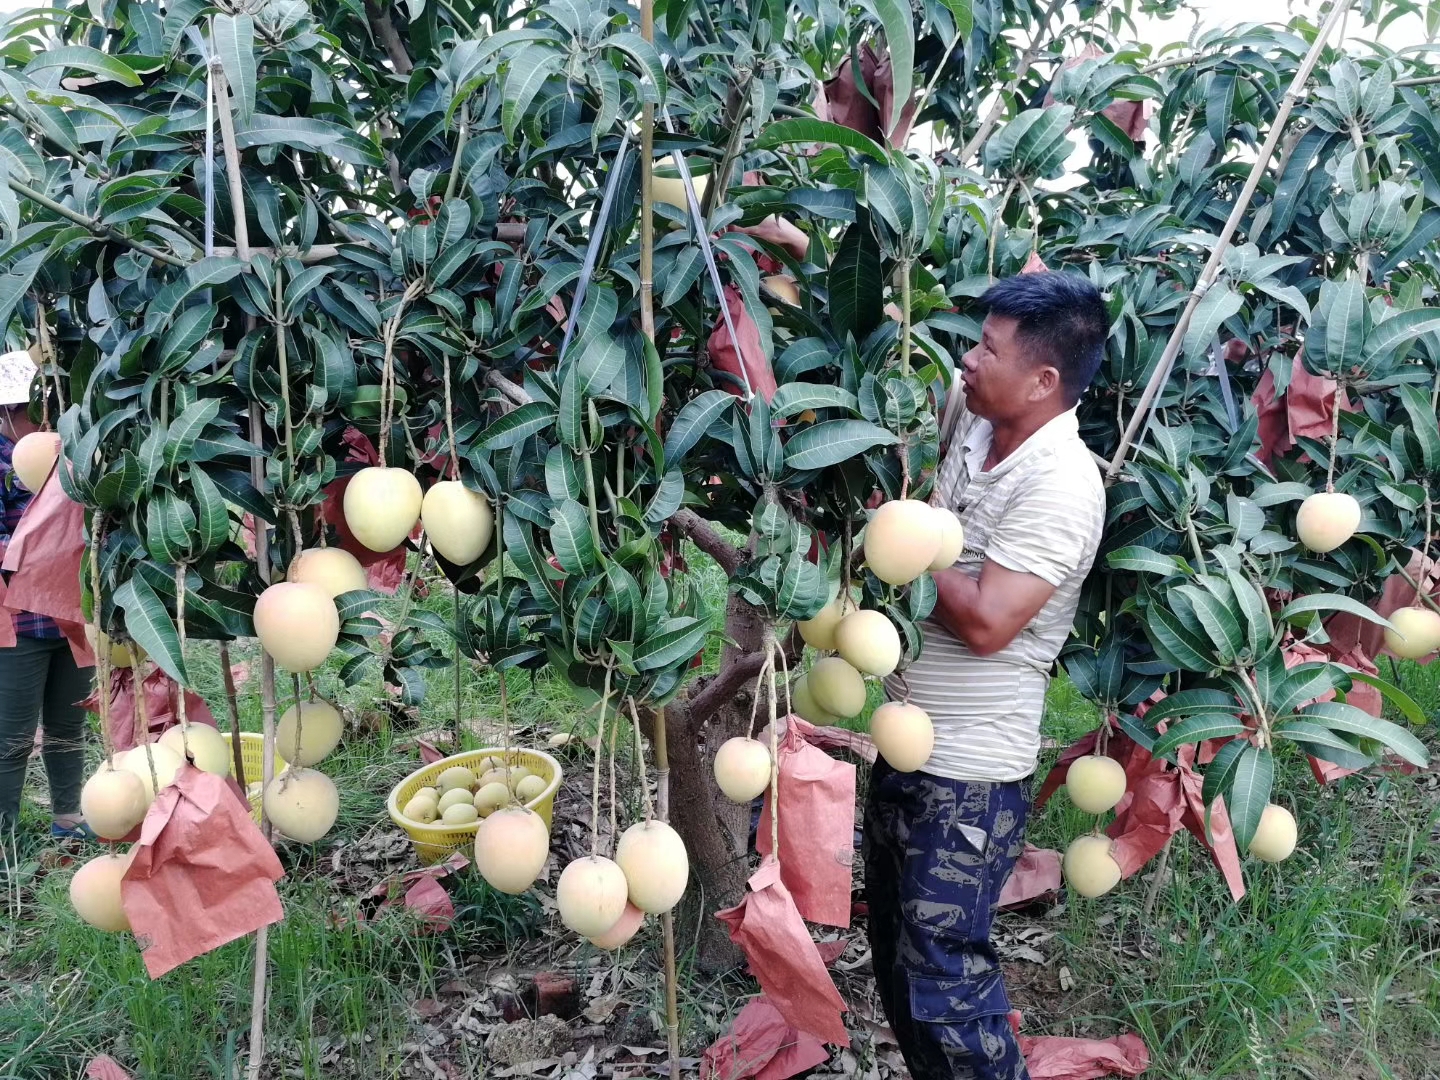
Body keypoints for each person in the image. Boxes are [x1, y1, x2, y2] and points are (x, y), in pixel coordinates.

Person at [865, 272, 1110, 1079]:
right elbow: (895, 331)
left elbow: (985, 623)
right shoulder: (973, 420)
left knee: (947, 979)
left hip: (969, 776)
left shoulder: (1061, 485)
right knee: (899, 964)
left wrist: (889, 542)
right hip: (905, 747)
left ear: (1044, 381)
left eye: (988, 350)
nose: (967, 361)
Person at [0, 349, 94, 841]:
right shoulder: (6, 460)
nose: (42, 415)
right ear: (7, 412)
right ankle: (4, 839)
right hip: (17, 623)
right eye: (30, 407)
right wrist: (48, 552)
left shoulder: (68, 453)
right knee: (10, 739)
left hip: (71, 614)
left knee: (69, 721)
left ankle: (68, 816)